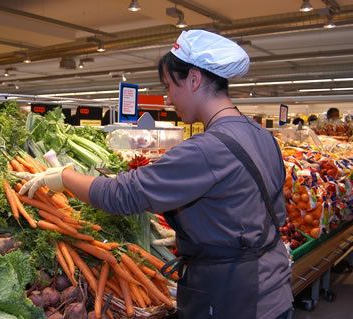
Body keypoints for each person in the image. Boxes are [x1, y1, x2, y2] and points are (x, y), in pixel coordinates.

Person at [17, 30, 292, 319]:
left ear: (194, 80)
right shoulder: (262, 136)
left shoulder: (206, 149)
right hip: (274, 289)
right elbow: (264, 207)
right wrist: (208, 232)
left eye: (169, 86)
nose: (168, 98)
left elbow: (123, 194)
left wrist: (65, 177)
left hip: (234, 298)